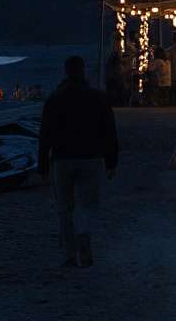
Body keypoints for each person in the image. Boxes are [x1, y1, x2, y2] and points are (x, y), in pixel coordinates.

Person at [38, 56, 119, 268]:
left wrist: (43, 165)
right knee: (88, 204)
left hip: (62, 158)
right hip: (91, 157)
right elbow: (109, 132)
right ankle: (83, 233)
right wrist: (111, 161)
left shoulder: (55, 99)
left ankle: (69, 254)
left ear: (66, 72)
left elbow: (45, 134)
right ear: (84, 71)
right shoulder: (98, 98)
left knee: (64, 208)